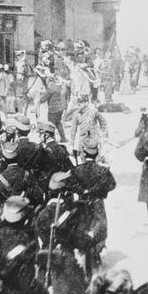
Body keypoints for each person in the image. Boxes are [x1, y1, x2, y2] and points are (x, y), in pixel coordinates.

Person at [67, 137, 116, 276]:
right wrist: (100, 191)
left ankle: (87, 259)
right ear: (97, 153)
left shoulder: (77, 170)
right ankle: (96, 257)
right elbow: (112, 184)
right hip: (98, 203)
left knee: (85, 228)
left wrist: (82, 191)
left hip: (82, 204)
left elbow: (70, 185)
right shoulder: (102, 170)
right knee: (99, 228)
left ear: (83, 152)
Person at [70, 94, 108, 160]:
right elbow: (73, 129)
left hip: (94, 140)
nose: (79, 104)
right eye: (78, 102)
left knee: (97, 159)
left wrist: (102, 133)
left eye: (81, 102)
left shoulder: (94, 112)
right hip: (82, 141)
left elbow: (103, 122)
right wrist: (72, 143)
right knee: (83, 160)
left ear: (87, 102)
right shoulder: (76, 114)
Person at [40, 74, 67, 142]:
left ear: (48, 80)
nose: (45, 81)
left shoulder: (50, 88)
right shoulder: (58, 87)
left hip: (52, 110)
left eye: (46, 80)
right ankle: (63, 139)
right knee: (58, 123)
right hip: (59, 109)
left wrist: (39, 99)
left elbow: (43, 99)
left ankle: (52, 139)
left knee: (51, 125)